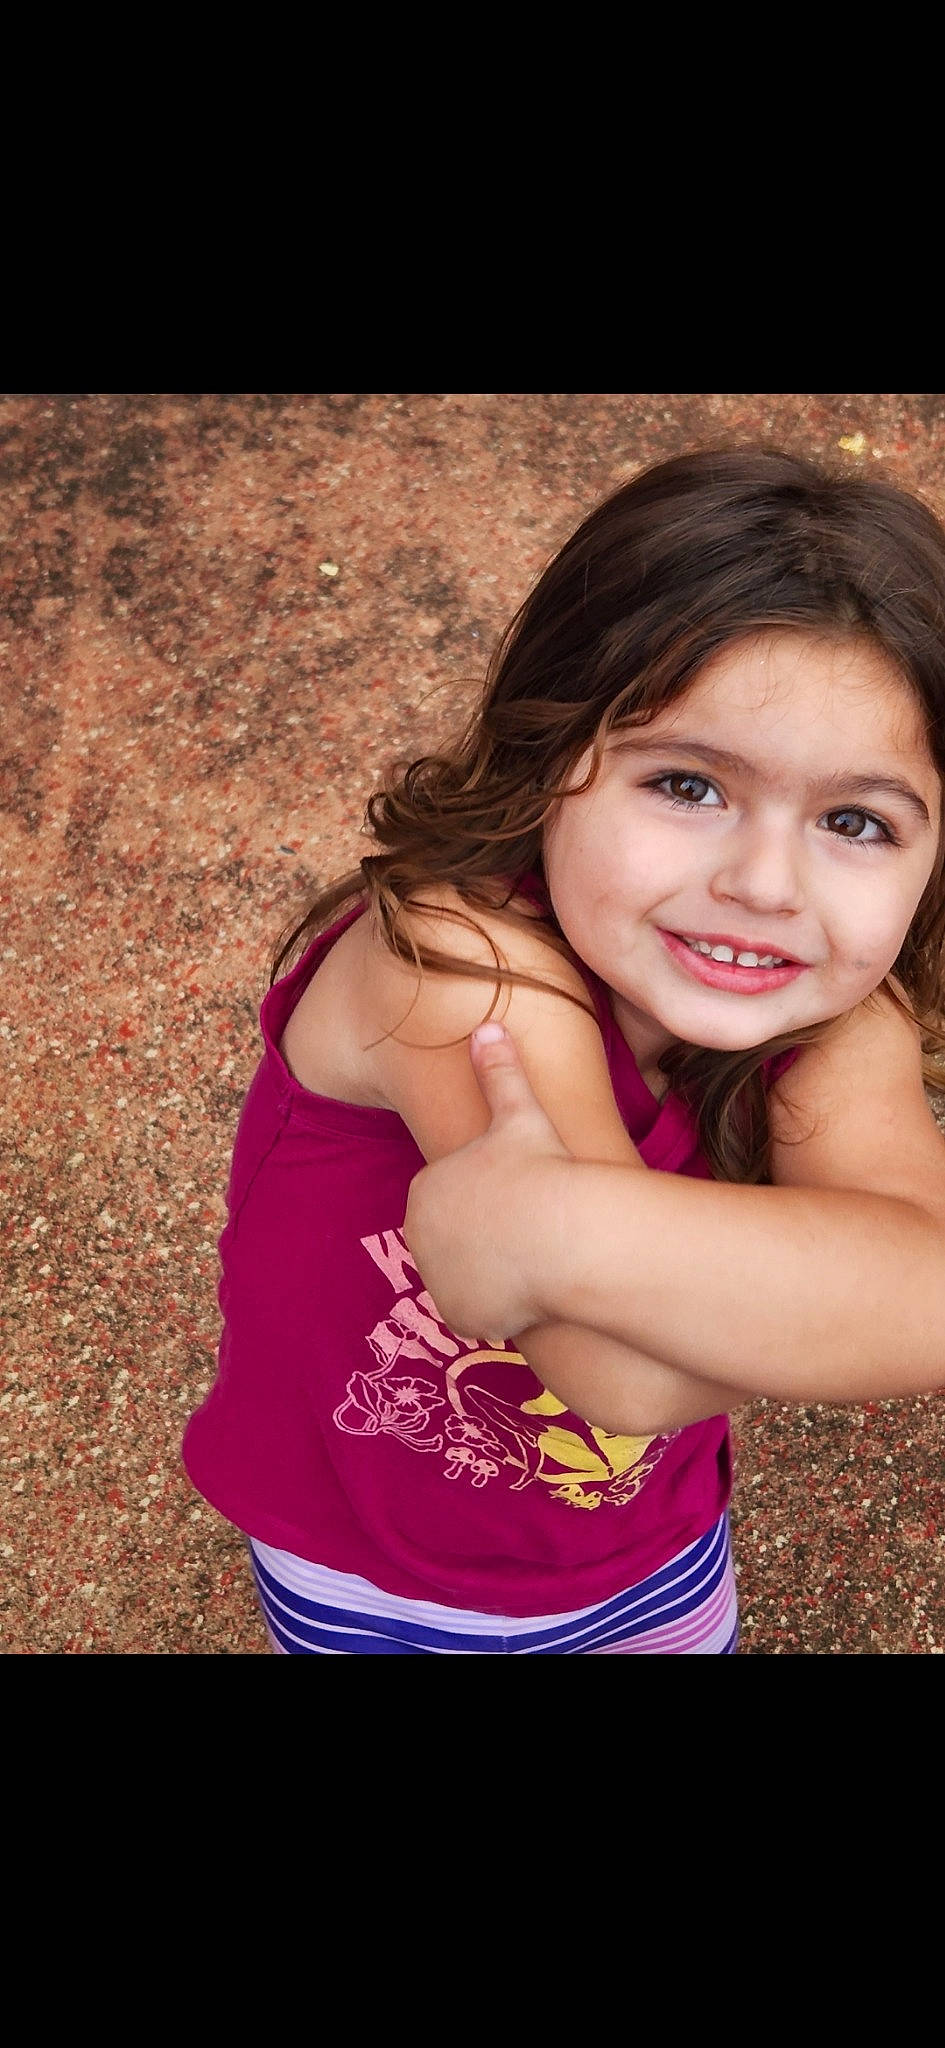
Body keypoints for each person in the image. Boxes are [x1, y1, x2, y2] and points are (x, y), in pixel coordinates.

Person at [182, 445, 945, 1655]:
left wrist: (552, 1226)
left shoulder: (843, 1012)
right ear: (549, 757)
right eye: (687, 785)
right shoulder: (454, 959)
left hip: (649, 1548)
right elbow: (616, 1374)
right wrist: (833, 1318)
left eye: (856, 820)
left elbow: (927, 1287)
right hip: (367, 1570)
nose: (764, 886)